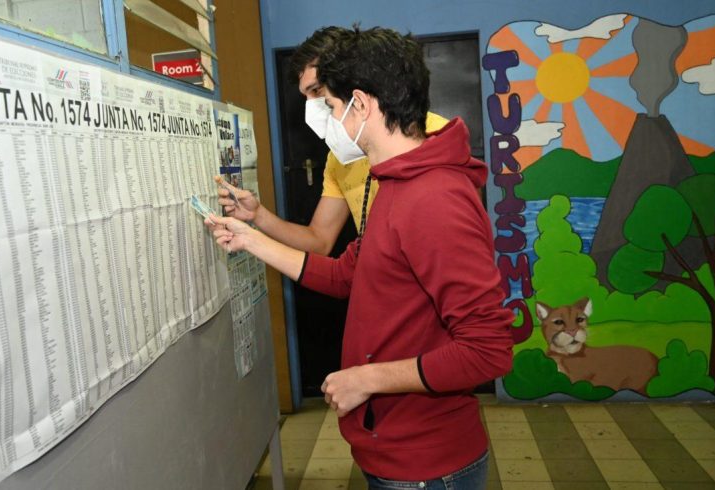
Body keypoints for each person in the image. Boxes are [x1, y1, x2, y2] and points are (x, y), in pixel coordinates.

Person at [206, 26, 514, 489]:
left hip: (426, 464)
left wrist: (367, 379)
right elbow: (346, 275)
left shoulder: (433, 198)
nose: (327, 119)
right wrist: (251, 239)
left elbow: (487, 350)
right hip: (393, 447)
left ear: (362, 104)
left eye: (330, 105)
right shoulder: (395, 183)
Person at [214, 26, 448, 255]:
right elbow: (320, 240)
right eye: (305, 97)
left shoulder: (433, 138)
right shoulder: (339, 157)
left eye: (318, 92)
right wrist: (257, 215)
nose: (312, 106)